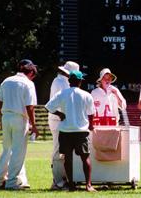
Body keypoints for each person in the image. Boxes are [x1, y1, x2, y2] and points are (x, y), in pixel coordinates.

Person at [0, 59, 38, 190]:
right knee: (18, 152)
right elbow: (30, 106)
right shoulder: (28, 83)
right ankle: (12, 182)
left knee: (6, 150)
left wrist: (1, 118)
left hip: (6, 117)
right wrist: (33, 125)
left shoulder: (6, 81)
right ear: (31, 73)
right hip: (19, 118)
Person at [45, 70, 96, 192]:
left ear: (69, 81)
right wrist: (91, 126)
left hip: (65, 131)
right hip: (81, 131)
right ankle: (88, 185)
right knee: (85, 158)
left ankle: (71, 185)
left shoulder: (62, 93)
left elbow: (48, 106)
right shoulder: (86, 95)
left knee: (68, 158)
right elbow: (91, 114)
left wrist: (60, 114)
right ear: (80, 82)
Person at [48, 61, 79, 190]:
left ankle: (63, 179)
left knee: (64, 152)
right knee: (57, 151)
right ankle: (58, 181)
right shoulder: (59, 82)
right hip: (58, 120)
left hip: (64, 120)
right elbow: (57, 103)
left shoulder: (63, 81)